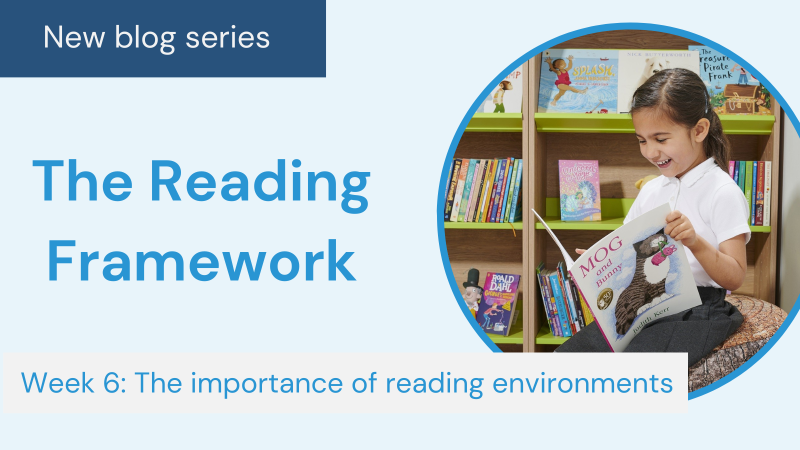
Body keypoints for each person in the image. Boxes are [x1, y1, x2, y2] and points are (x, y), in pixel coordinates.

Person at [556, 68, 750, 366]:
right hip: (644, 305)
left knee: (637, 369)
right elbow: (627, 248)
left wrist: (695, 242)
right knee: (567, 358)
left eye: (660, 139)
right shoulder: (651, 190)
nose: (650, 152)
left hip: (698, 310)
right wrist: (599, 263)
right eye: (642, 140)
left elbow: (735, 277)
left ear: (699, 130)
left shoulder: (722, 191)